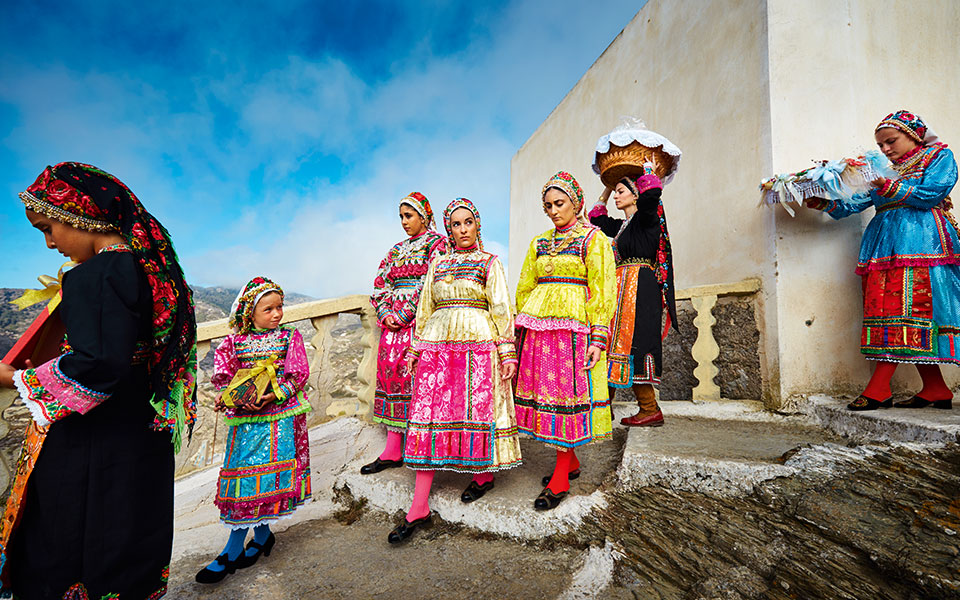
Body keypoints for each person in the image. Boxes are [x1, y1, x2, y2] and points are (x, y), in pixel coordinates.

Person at [0, 162, 197, 599]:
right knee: (131, 527)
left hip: (97, 437)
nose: (50, 243)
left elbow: (97, 365)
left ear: (78, 214)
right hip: (141, 430)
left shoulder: (94, 276)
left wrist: (18, 376)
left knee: (76, 534)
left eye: (48, 227)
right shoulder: (152, 270)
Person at [806, 110, 959, 410]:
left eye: (891, 141)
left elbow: (930, 194)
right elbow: (856, 203)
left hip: (921, 245)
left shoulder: (938, 157)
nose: (886, 150)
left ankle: (878, 389)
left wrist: (883, 183)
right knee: (893, 308)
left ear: (914, 135)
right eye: (881, 146)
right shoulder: (887, 171)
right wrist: (818, 200)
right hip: (884, 248)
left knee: (907, 309)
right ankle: (936, 388)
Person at [389, 198, 521, 543]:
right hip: (437, 343)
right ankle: (418, 506)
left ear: (477, 225)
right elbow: (424, 307)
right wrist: (415, 348)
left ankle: (482, 475)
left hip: (479, 344)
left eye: (468, 223)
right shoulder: (438, 263)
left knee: (476, 408)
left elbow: (502, 308)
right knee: (428, 416)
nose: (462, 230)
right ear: (449, 229)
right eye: (456, 225)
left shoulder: (490, 263)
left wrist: (507, 353)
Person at [195, 276, 311, 583]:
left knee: (267, 481)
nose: (277, 314)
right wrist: (235, 399)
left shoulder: (290, 337)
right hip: (246, 423)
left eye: (280, 307)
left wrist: (276, 393)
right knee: (245, 482)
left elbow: (298, 373)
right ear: (250, 312)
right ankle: (251, 541)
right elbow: (223, 376)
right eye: (268, 309)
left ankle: (244, 546)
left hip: (280, 421)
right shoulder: (234, 343)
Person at [514, 171, 616, 510]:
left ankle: (560, 476)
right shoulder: (538, 243)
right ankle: (568, 461)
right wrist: (520, 325)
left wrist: (598, 337)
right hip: (539, 331)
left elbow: (603, 289)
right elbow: (526, 284)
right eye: (548, 206)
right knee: (547, 396)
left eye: (560, 204)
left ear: (576, 203)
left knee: (565, 398)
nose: (554, 211)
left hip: (573, 331)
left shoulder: (593, 240)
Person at [588, 161, 678, 426]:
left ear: (635, 194)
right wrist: (605, 190)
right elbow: (595, 219)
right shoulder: (622, 227)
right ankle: (602, 410)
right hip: (622, 287)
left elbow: (652, 195)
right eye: (614, 192)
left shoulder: (646, 217)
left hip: (642, 288)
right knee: (614, 342)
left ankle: (649, 408)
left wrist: (648, 172)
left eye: (620, 191)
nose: (616, 196)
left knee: (637, 341)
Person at [363, 193, 447, 474]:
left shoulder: (437, 245)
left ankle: (419, 445)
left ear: (424, 215)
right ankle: (392, 448)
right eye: (400, 217)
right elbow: (381, 282)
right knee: (391, 378)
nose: (403, 222)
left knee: (417, 380)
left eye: (408, 216)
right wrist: (386, 312)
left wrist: (406, 312)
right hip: (391, 328)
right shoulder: (395, 251)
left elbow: (433, 281)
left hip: (419, 324)